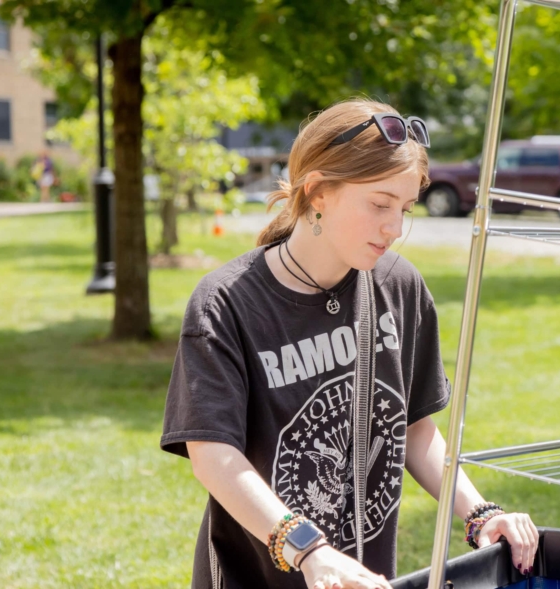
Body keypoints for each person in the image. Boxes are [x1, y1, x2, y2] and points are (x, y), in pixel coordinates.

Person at [161, 99, 538, 589]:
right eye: (379, 204)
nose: (394, 228)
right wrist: (309, 551)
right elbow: (214, 458)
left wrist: (481, 514)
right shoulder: (225, 303)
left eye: (404, 208)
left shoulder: (399, 287)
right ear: (318, 191)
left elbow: (415, 430)